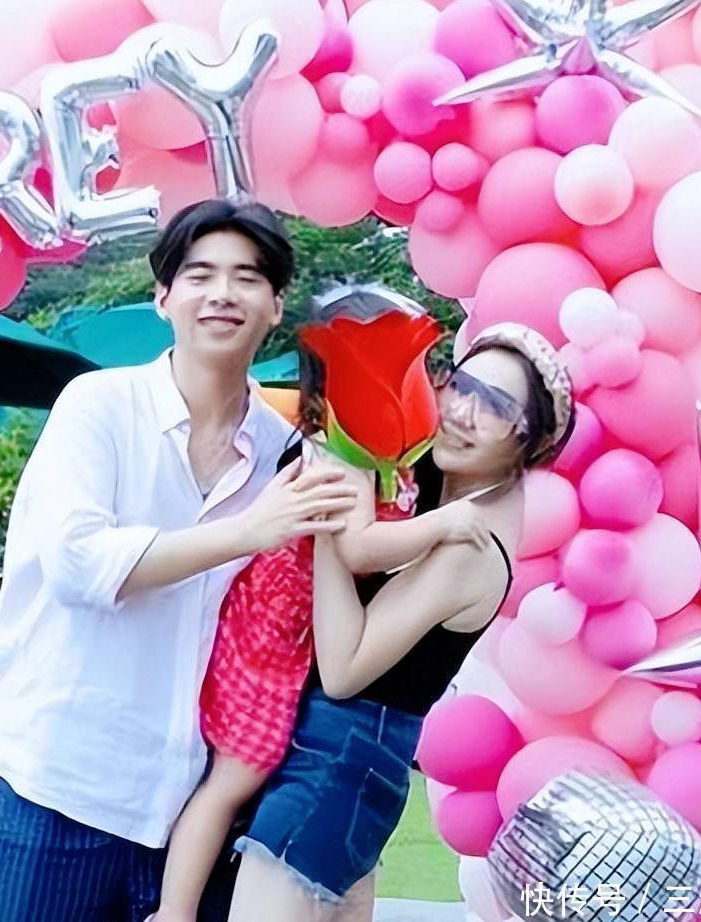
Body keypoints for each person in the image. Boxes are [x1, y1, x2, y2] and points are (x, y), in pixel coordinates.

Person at [0, 199, 360, 922]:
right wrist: (251, 530)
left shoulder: (290, 456)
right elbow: (79, 564)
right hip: (58, 790)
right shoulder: (98, 405)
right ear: (163, 298)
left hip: (194, 813)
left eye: (247, 278)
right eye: (199, 275)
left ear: (276, 306)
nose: (222, 293)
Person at [225, 320, 576, 922]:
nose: (463, 412)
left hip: (333, 768)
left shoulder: (469, 544)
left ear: (529, 441)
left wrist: (332, 525)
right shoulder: (434, 492)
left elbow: (344, 670)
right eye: (460, 386)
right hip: (344, 773)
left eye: (495, 407)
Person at [151, 286, 453, 922]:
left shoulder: (380, 455)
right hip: (268, 639)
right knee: (238, 773)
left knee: (253, 779)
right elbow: (359, 549)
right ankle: (173, 913)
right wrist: (446, 527)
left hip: (295, 639)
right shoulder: (335, 456)